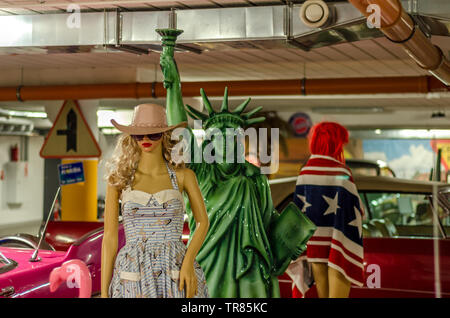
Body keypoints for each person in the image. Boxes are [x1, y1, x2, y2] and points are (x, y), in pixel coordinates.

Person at [101, 103, 209, 298]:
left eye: (153, 134)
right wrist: (103, 292)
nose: (145, 140)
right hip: (132, 269)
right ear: (131, 137)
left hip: (175, 266)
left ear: (165, 135)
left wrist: (188, 262)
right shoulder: (119, 180)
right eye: (139, 135)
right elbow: (109, 238)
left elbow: (202, 222)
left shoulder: (184, 176)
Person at [289, 122, 365, 298]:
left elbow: (299, 212)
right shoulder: (342, 172)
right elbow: (357, 212)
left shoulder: (305, 172)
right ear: (336, 143)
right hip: (339, 244)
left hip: (316, 246)